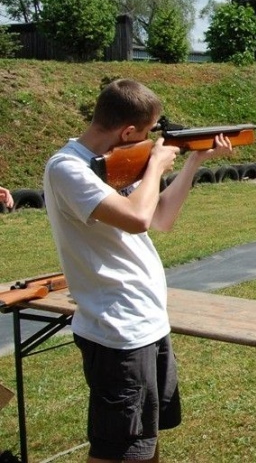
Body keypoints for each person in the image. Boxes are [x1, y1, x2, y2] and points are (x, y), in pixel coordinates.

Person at [43, 78, 232, 463]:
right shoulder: (68, 168)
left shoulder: (115, 169)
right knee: (118, 450)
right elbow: (138, 218)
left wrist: (194, 159)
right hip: (118, 332)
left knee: (145, 441)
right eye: (144, 134)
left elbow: (161, 216)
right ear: (128, 132)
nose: (147, 142)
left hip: (146, 324)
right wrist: (156, 165)